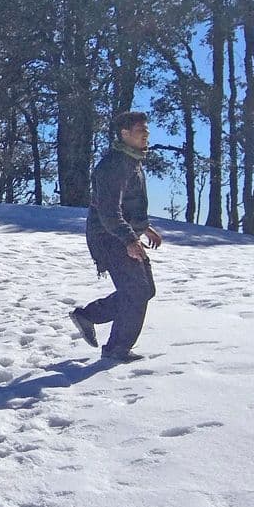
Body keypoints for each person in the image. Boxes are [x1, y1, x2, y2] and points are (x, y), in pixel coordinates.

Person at [70, 111, 163, 362]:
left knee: (144, 290)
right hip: (109, 237)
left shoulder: (132, 160)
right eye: (140, 130)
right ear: (124, 134)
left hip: (121, 234)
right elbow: (109, 211)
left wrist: (144, 227)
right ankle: (116, 350)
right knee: (137, 290)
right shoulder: (114, 166)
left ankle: (89, 316)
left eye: (146, 130)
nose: (146, 134)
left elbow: (129, 206)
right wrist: (130, 240)